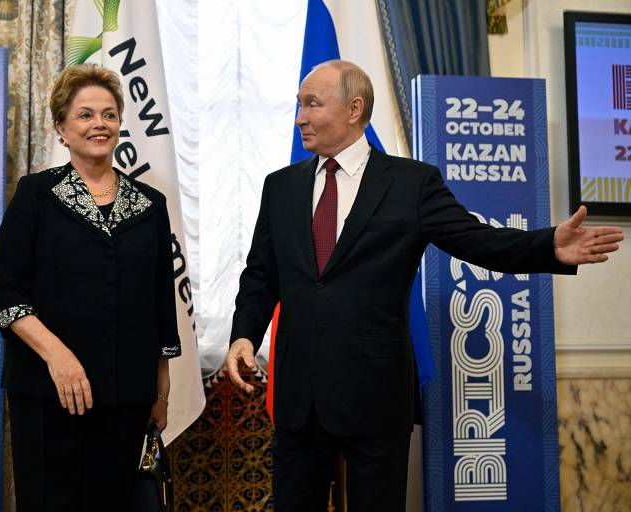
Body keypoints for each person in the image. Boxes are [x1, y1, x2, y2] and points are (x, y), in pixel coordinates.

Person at [226, 60, 624, 511]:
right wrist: (244, 333)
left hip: (375, 397)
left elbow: (478, 240)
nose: (300, 116)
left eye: (312, 104)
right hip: (300, 401)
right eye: (299, 105)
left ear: (354, 108)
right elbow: (261, 274)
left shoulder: (411, 184)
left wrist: (548, 246)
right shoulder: (280, 187)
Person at [0, 64, 181, 510]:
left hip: (126, 397)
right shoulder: (36, 194)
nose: (100, 124)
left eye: (109, 115)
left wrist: (160, 394)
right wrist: (58, 356)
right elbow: (3, 288)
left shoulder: (151, 205)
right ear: (62, 128)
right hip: (46, 394)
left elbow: (159, 306)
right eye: (86, 115)